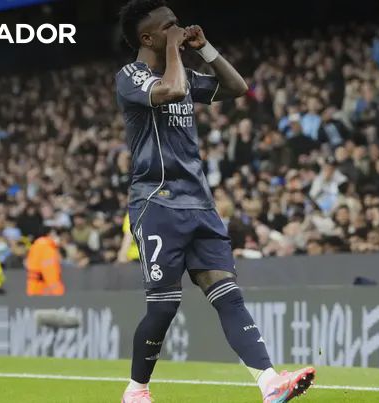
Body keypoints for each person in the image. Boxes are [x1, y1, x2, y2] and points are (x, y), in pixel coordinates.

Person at [116, 1, 314, 402]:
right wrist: (176, 48)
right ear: (147, 38)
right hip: (157, 202)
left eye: (177, 23)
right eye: (168, 26)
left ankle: (270, 383)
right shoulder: (130, 76)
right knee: (164, 307)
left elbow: (238, 88)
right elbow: (171, 90)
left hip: (200, 205)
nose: (178, 28)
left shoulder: (185, 74)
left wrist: (204, 48)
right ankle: (136, 391)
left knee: (228, 294)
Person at [25, 228, 65, 296]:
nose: (57, 237)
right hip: (45, 291)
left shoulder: (35, 246)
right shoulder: (48, 249)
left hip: (34, 288)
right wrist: (58, 292)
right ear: (49, 235)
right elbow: (50, 272)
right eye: (55, 234)